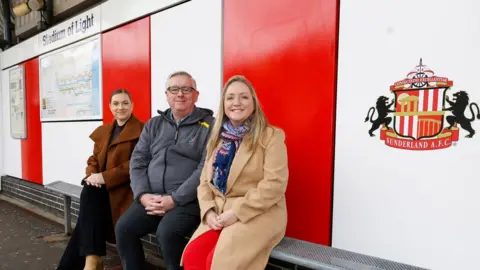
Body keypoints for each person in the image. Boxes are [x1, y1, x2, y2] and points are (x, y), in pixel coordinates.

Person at [182, 75, 289, 270]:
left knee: (219, 263)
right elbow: (204, 183)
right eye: (230, 97)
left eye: (244, 97)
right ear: (223, 104)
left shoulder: (272, 136)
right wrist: (208, 211)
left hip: (257, 212)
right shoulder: (217, 138)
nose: (236, 103)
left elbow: (274, 185)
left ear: (254, 103)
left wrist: (237, 212)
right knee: (193, 255)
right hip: (219, 212)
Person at [115, 71, 215, 270]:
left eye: (186, 89)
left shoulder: (210, 126)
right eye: (174, 89)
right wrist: (143, 195)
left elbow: (204, 168)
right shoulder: (154, 124)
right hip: (151, 198)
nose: (180, 94)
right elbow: (138, 162)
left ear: (196, 95)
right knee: (124, 228)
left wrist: (174, 199)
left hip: (188, 200)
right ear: (167, 94)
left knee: (167, 232)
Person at [56, 89, 144, 270]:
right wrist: (92, 175)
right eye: (116, 103)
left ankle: (89, 260)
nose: (121, 107)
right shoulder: (105, 131)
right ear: (110, 107)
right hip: (101, 187)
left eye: (125, 103)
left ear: (132, 105)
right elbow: (94, 159)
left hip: (126, 188)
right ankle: (92, 258)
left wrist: (104, 177)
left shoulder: (143, 130)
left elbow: (136, 163)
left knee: (86, 215)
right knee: (89, 193)